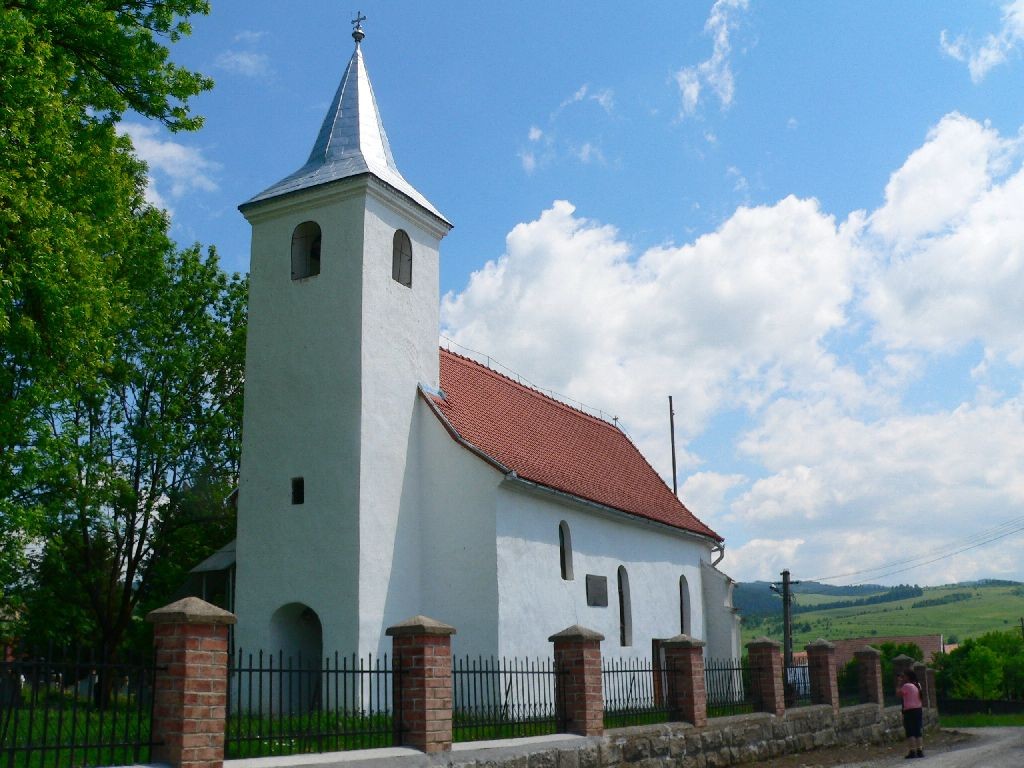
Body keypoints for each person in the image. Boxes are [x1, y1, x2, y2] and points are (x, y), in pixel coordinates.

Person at [897, 669, 924, 758]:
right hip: (918, 709)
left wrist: (899, 683)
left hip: (909, 710)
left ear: (908, 677)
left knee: (910, 731)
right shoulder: (918, 685)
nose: (903, 678)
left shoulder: (906, 686)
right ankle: (920, 750)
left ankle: (912, 751)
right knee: (918, 730)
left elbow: (898, 694)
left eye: (904, 676)